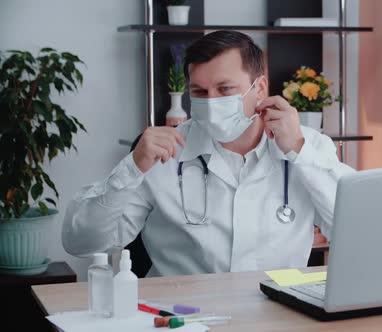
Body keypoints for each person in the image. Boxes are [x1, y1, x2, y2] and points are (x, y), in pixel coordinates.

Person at [62, 30, 355, 277]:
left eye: (225, 89)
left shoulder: (309, 146)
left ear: (260, 88)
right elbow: (82, 242)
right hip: (183, 316)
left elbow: (353, 228)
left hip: (276, 314)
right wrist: (132, 169)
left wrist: (298, 152)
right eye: (199, 92)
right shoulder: (164, 153)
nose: (212, 102)